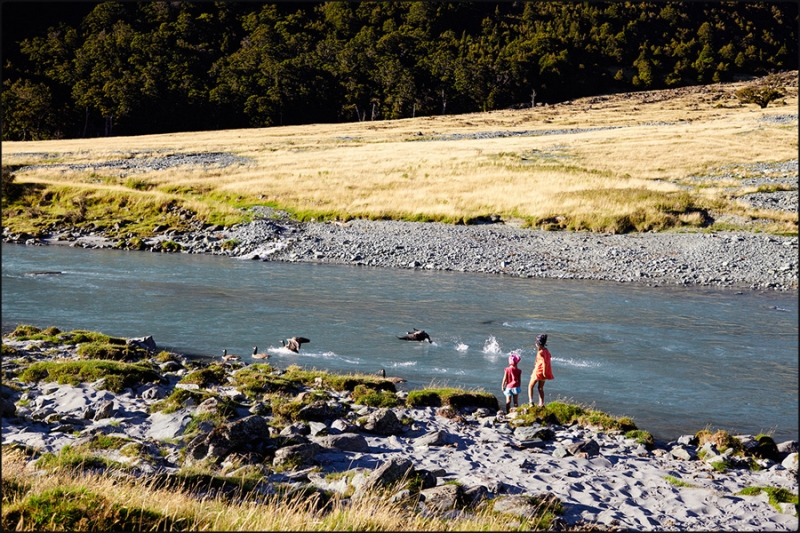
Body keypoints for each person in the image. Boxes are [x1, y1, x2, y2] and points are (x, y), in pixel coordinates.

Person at [529, 333, 554, 407]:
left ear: (538, 344)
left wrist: (543, 372)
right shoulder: (546, 350)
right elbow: (548, 357)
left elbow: (544, 363)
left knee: (530, 386)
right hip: (545, 373)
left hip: (538, 372)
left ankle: (531, 402)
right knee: (540, 388)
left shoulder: (540, 352)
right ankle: (541, 403)